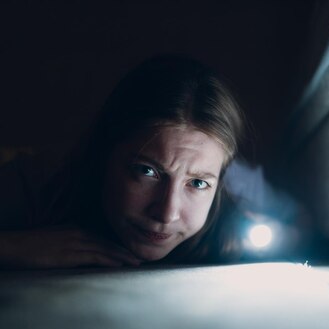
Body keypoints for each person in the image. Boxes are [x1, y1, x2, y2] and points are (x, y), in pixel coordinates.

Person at [0, 55, 246, 269]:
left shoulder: (240, 232)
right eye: (147, 170)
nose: (166, 213)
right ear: (103, 154)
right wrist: (10, 247)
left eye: (198, 183)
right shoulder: (32, 184)